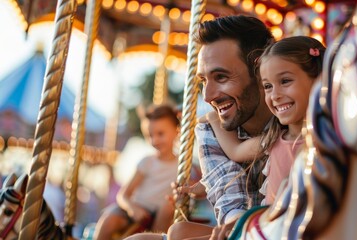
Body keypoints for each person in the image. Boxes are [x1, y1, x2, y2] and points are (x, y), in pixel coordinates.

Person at [124, 15, 274, 240]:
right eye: (203, 81)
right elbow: (230, 201)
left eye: (221, 77)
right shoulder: (211, 130)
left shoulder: (294, 121)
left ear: (261, 68)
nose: (208, 96)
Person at [207, 36, 325, 205]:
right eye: (268, 86)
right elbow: (235, 151)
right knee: (179, 230)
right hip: (268, 224)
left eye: (285, 81)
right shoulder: (273, 140)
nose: (275, 95)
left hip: (293, 228)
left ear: (318, 81)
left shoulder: (326, 144)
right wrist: (212, 118)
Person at [93, 104, 180, 240]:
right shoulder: (147, 162)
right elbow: (123, 195)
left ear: (176, 131)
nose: (154, 140)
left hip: (159, 215)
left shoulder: (182, 166)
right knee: (109, 219)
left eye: (160, 134)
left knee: (167, 207)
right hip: (136, 209)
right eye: (150, 135)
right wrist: (132, 208)